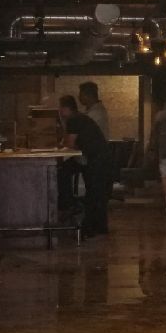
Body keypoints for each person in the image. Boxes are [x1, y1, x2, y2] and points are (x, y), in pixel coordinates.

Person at [58, 94, 114, 238]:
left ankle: (69, 204)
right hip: (102, 157)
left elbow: (69, 144)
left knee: (93, 192)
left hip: (96, 159)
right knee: (97, 194)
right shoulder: (81, 118)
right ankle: (99, 227)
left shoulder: (73, 120)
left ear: (65, 108)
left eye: (60, 108)